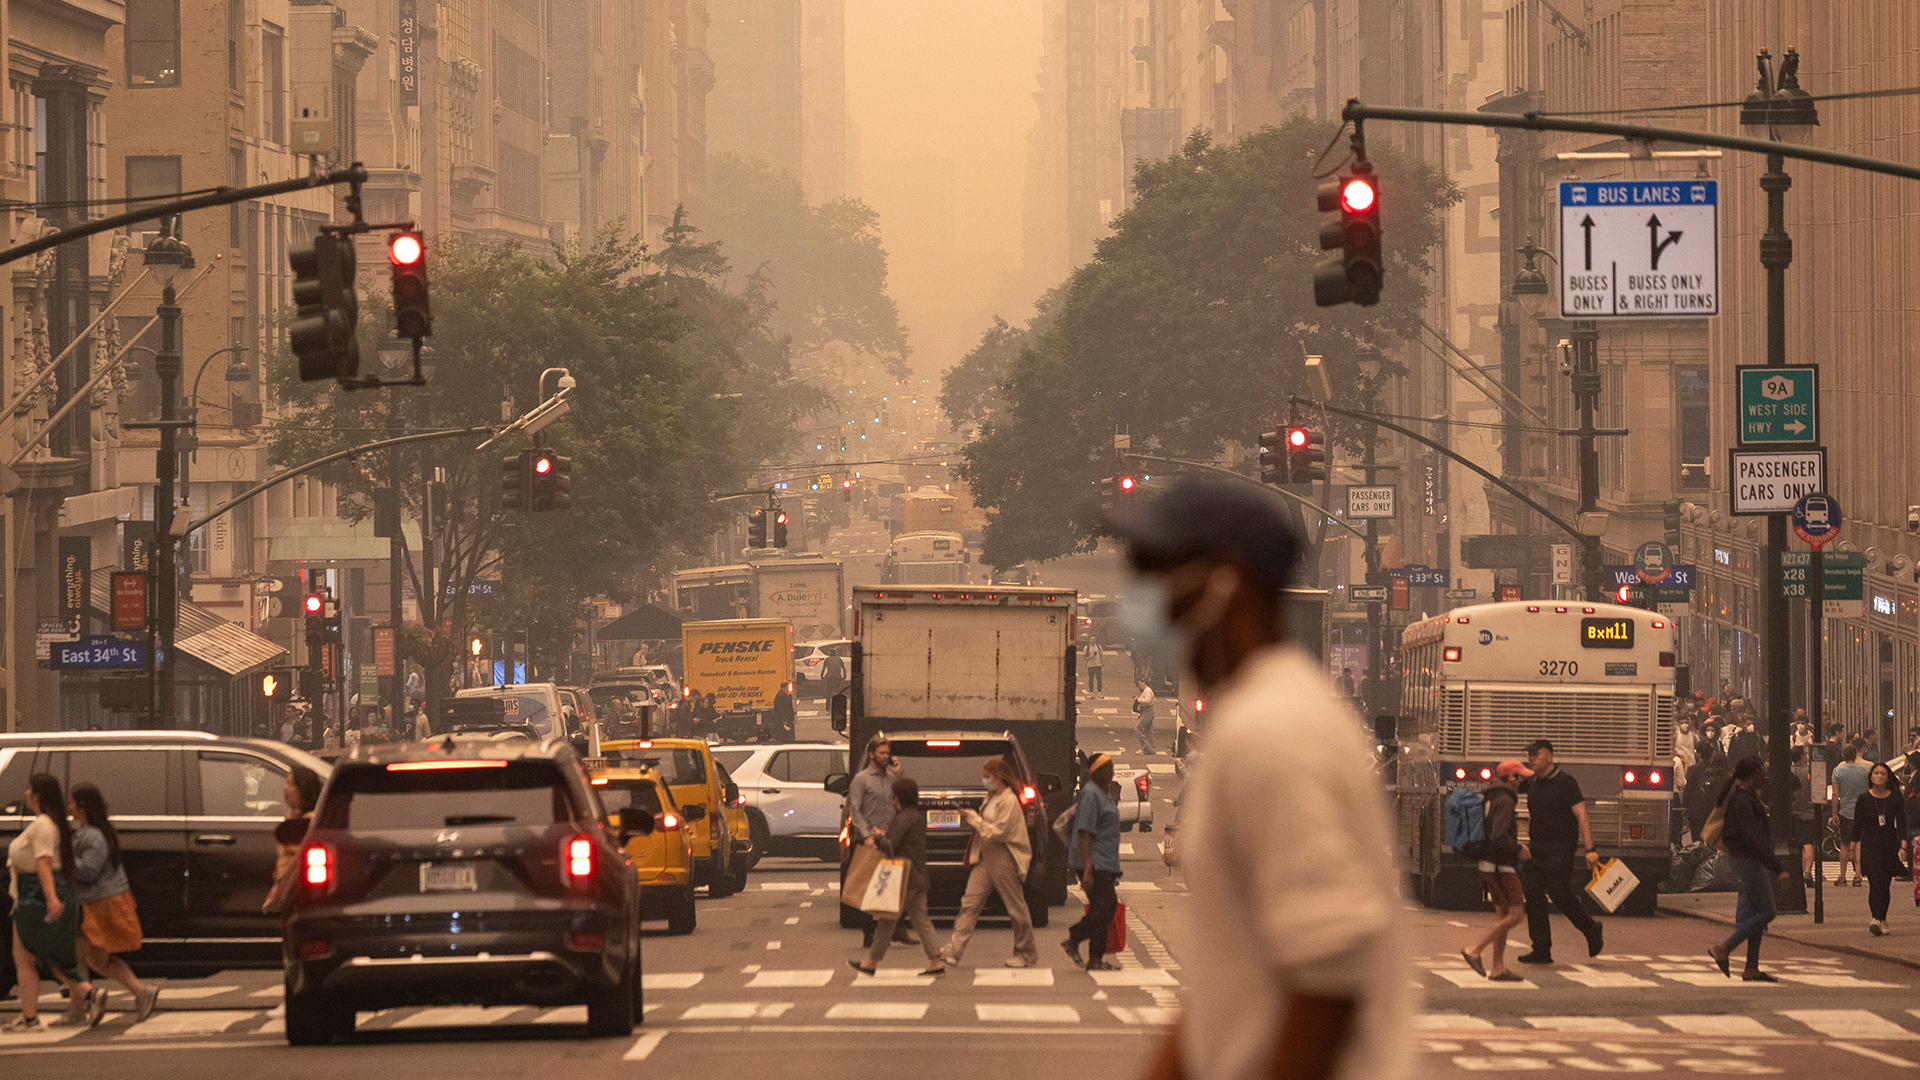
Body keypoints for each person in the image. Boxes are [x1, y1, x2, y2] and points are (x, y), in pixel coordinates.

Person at [1108, 475, 1410, 1080]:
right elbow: (1235, 987)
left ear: (1228, 580)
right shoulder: (1259, 713)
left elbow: (1329, 971)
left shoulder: (1273, 731)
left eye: (1157, 573)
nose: (1143, 597)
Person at [6, 773, 99, 1032]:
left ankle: (38, 1015)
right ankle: (31, 1016)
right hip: (33, 891)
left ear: (37, 795)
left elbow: (43, 862)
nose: (25, 793)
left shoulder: (44, 825)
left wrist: (50, 898)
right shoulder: (47, 823)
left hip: (36, 892)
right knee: (33, 954)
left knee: (28, 955)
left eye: (29, 789)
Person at [67, 783, 159, 1022]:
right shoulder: (94, 832)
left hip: (99, 903)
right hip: (96, 901)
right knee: (85, 957)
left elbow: (88, 871)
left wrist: (64, 860)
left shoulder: (93, 836)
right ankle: (80, 1008)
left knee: (92, 958)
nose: (69, 806)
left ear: (82, 806)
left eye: (72, 802)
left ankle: (139, 992)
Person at [938, 756, 1039, 969]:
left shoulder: (1010, 800)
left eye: (988, 776)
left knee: (1015, 907)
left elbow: (1000, 833)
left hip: (1004, 856)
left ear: (998, 777)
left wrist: (974, 819)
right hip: (985, 856)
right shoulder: (991, 796)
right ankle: (954, 950)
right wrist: (974, 818)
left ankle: (1025, 953)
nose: (985, 780)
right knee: (970, 903)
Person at [1516, 739, 1604, 964]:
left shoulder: (1566, 782)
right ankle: (1541, 949)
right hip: (1537, 848)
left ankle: (1591, 928)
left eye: (1535, 754)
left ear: (1549, 756)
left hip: (1561, 848)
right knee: (1533, 894)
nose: (1531, 759)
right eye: (1529, 755)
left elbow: (1582, 815)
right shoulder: (1534, 784)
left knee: (1559, 893)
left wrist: (1590, 849)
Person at [848, 777, 945, 977]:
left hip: (904, 876)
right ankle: (935, 960)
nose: (892, 800)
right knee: (920, 920)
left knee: (886, 921)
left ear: (899, 797)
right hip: (917, 874)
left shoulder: (902, 818)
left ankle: (871, 963)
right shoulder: (915, 816)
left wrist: (878, 836)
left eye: (893, 796)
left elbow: (892, 845)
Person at [1710, 757, 1790, 981]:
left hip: (1744, 860)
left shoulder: (1742, 799)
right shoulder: (1743, 801)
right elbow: (1754, 838)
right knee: (1768, 911)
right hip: (1747, 861)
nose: (1763, 777)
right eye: (1761, 773)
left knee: (1757, 913)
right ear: (1753, 774)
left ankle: (1751, 967)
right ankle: (1724, 948)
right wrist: (1778, 868)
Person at [1462, 760, 1531, 982]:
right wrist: (1519, 847)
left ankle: (1498, 968)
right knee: (1516, 915)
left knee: (1503, 914)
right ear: (1512, 778)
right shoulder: (1505, 800)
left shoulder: (1491, 796)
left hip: (1489, 864)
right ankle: (1474, 949)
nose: (1524, 781)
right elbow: (1499, 835)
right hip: (1501, 865)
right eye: (1521, 776)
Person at [1062, 753, 1123, 971]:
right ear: (1097, 771)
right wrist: (1088, 868)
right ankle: (1074, 937)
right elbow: (1084, 832)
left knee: (1101, 908)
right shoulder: (1090, 795)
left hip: (1105, 861)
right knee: (1107, 906)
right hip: (1093, 862)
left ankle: (1095, 959)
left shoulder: (1103, 793)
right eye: (1108, 767)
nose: (1112, 771)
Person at [847, 735, 908, 948]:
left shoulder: (892, 777)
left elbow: (903, 798)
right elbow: (854, 808)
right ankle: (868, 932)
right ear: (872, 755)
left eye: (887, 753)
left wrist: (899, 774)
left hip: (889, 838)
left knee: (892, 885)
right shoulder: (861, 779)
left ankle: (894, 928)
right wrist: (866, 836)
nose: (885, 756)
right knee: (868, 888)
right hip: (870, 840)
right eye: (881, 753)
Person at [1852, 761, 1906, 935]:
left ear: (1888, 777)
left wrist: (1903, 844)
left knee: (1885, 884)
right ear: (1871, 777)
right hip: (1870, 845)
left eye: (1883, 774)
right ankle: (1875, 917)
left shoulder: (1895, 798)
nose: (1879, 777)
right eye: (1876, 773)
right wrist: (1853, 844)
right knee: (1875, 882)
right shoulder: (1864, 799)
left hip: (1889, 845)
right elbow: (1857, 824)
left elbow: (1902, 823)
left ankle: (1882, 918)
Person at [1831, 741, 1872, 886]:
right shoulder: (1865, 770)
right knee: (1859, 843)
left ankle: (1842, 875)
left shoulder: (1838, 771)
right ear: (1855, 755)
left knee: (1844, 843)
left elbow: (1835, 794)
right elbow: (1869, 791)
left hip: (1845, 811)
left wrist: (1834, 813)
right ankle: (1857, 876)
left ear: (1843, 755)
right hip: (1861, 811)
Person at [1133, 676, 1158, 756]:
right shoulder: (1146, 690)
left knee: (1138, 728)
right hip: (1147, 711)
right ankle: (1151, 748)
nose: (1139, 686)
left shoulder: (1147, 691)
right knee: (1149, 731)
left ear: (1144, 682)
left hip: (1147, 711)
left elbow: (1147, 701)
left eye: (1140, 684)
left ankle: (1146, 748)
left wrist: (1138, 700)